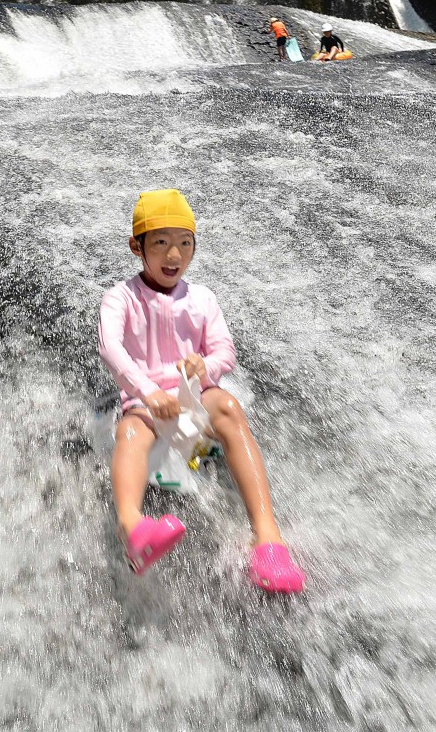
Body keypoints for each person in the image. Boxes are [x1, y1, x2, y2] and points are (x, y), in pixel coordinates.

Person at [98, 188, 306, 593]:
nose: (174, 255)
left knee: (227, 404)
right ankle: (134, 529)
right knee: (131, 432)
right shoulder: (119, 298)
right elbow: (111, 349)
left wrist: (203, 365)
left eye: (184, 243)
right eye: (160, 243)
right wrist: (146, 390)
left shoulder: (203, 299)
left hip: (195, 395)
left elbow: (225, 352)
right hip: (144, 401)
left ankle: (268, 541)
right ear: (136, 247)